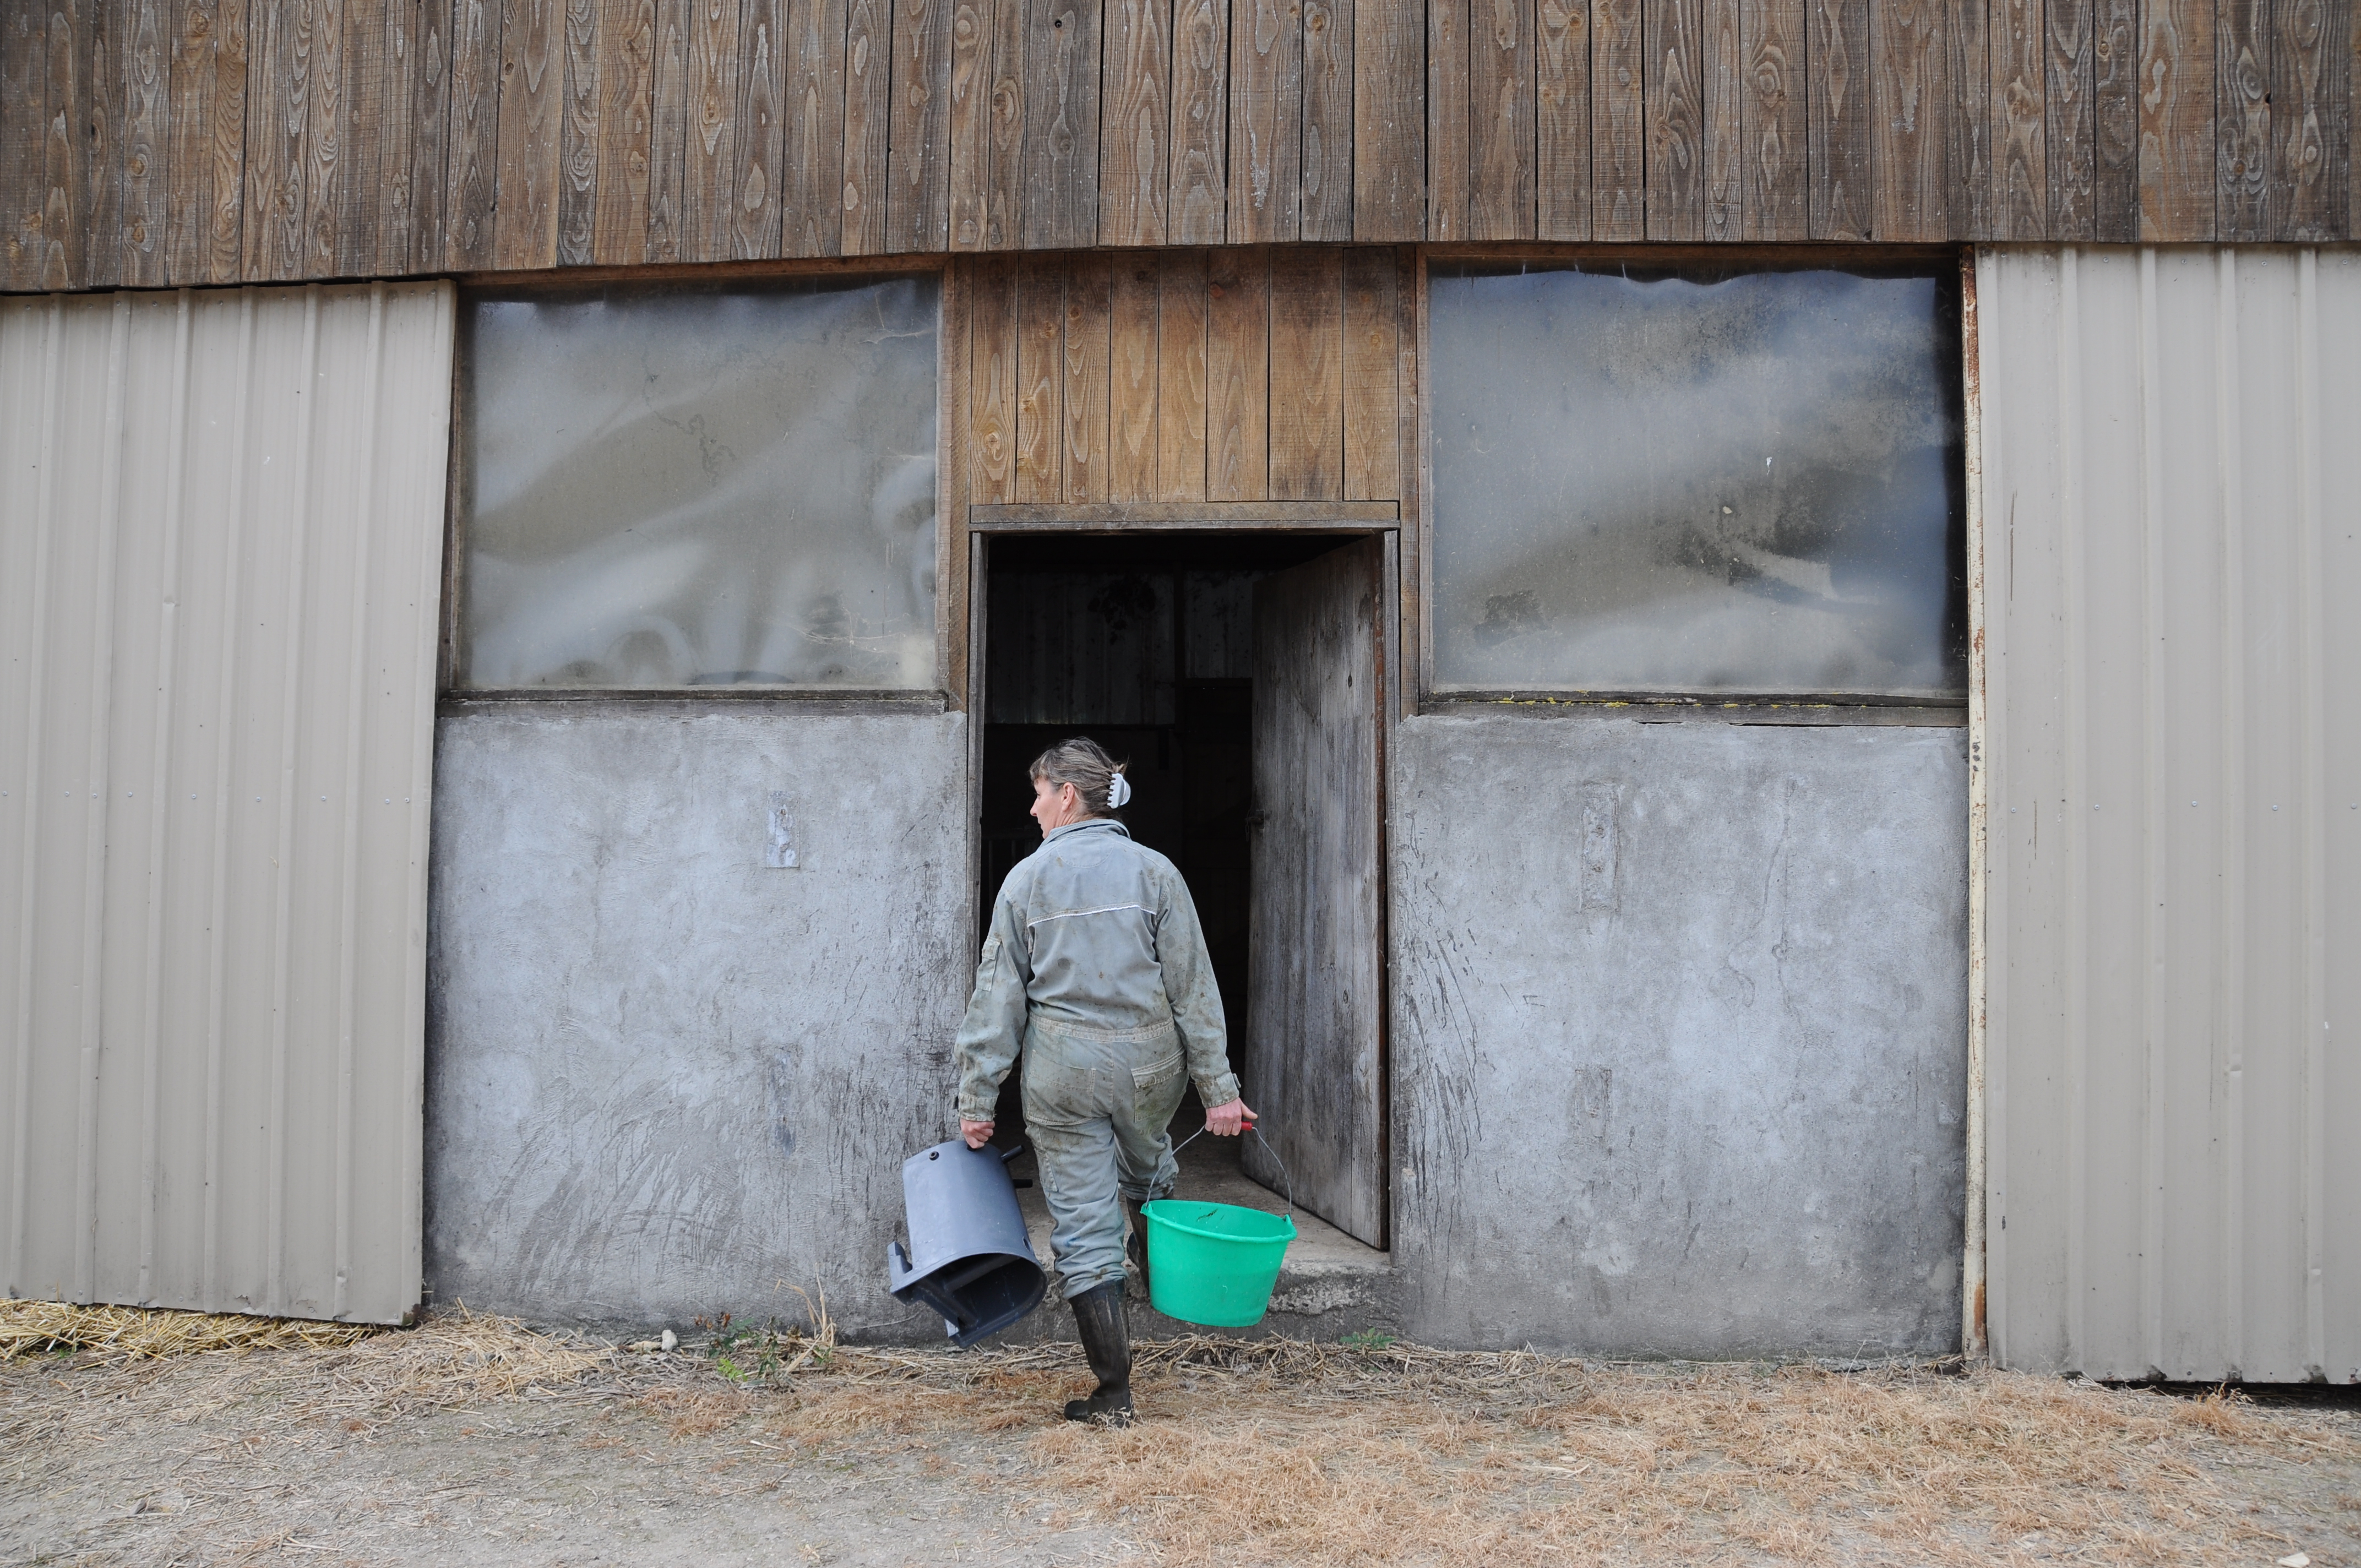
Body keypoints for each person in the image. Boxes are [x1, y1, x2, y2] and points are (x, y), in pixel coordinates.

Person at [952, 737, 1254, 1426]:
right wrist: (1219, 1091)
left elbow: (998, 999)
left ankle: (1114, 1394)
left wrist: (977, 1098)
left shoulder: (1026, 880)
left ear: (1066, 795)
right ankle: (1163, 1275)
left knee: (1084, 1225)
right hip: (1150, 1067)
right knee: (1148, 1169)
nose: (1030, 809)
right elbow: (1193, 991)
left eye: (1037, 793)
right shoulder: (1156, 873)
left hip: (1063, 1070)